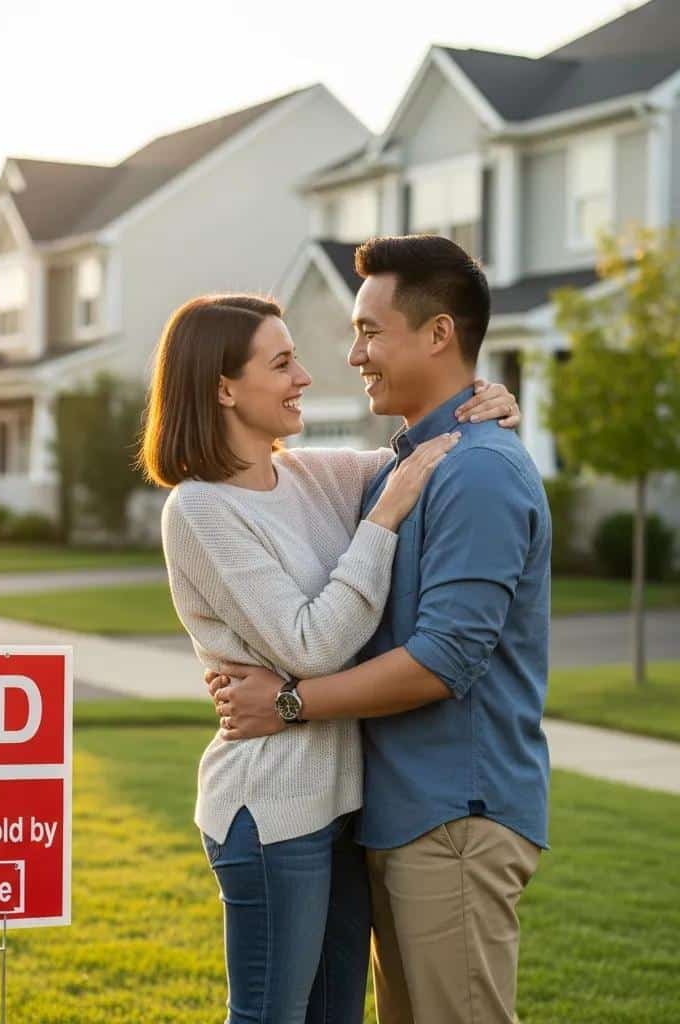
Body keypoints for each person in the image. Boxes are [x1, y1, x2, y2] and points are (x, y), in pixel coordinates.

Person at [140, 289, 520, 1024]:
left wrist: (487, 404)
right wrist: (381, 519)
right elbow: (312, 645)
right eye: (282, 363)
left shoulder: (312, 477)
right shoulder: (199, 509)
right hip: (270, 808)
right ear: (224, 387)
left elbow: (426, 453)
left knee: (337, 1014)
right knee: (270, 1018)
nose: (304, 377)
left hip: (344, 806)